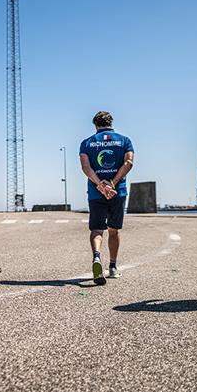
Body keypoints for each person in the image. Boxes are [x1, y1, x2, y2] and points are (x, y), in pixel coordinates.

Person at [79, 111, 134, 286]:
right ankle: (112, 266)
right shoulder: (125, 140)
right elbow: (128, 163)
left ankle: (96, 257)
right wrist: (112, 183)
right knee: (114, 230)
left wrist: (100, 185)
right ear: (111, 122)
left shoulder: (86, 143)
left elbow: (86, 167)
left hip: (96, 193)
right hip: (118, 191)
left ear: (95, 124)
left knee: (96, 230)